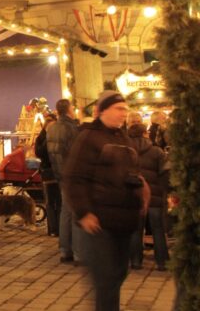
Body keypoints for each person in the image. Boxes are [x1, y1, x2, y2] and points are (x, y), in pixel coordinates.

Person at [64, 91, 149, 311]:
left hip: (124, 221)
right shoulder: (89, 137)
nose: (124, 114)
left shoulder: (124, 138)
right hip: (98, 222)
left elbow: (133, 172)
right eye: (119, 109)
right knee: (106, 279)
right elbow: (74, 178)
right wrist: (84, 213)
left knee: (118, 275)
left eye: (125, 109)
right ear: (103, 110)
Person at [127, 121, 170, 271]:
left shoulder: (126, 151)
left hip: (135, 196)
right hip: (155, 197)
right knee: (158, 230)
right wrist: (165, 191)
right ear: (145, 133)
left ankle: (136, 261)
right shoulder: (156, 151)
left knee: (136, 230)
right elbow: (165, 173)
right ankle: (162, 262)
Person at [47, 98, 80, 263]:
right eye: (73, 107)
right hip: (72, 174)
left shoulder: (51, 129)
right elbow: (76, 152)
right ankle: (77, 251)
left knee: (65, 211)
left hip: (59, 173)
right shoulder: (71, 128)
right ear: (68, 109)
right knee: (75, 212)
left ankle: (64, 249)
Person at [35, 113, 60, 238]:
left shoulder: (58, 137)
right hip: (47, 172)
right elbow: (40, 153)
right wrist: (47, 139)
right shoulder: (41, 139)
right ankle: (52, 229)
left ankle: (60, 228)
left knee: (59, 201)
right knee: (50, 202)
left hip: (58, 171)